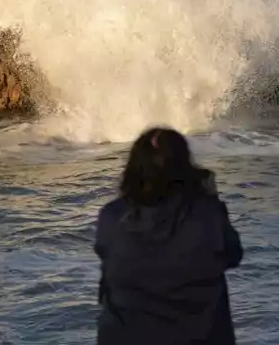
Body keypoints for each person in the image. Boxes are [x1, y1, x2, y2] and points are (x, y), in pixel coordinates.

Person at [93, 127, 243, 345]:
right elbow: (233, 254)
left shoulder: (113, 216)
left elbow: (107, 254)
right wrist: (210, 197)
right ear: (185, 168)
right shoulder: (206, 214)